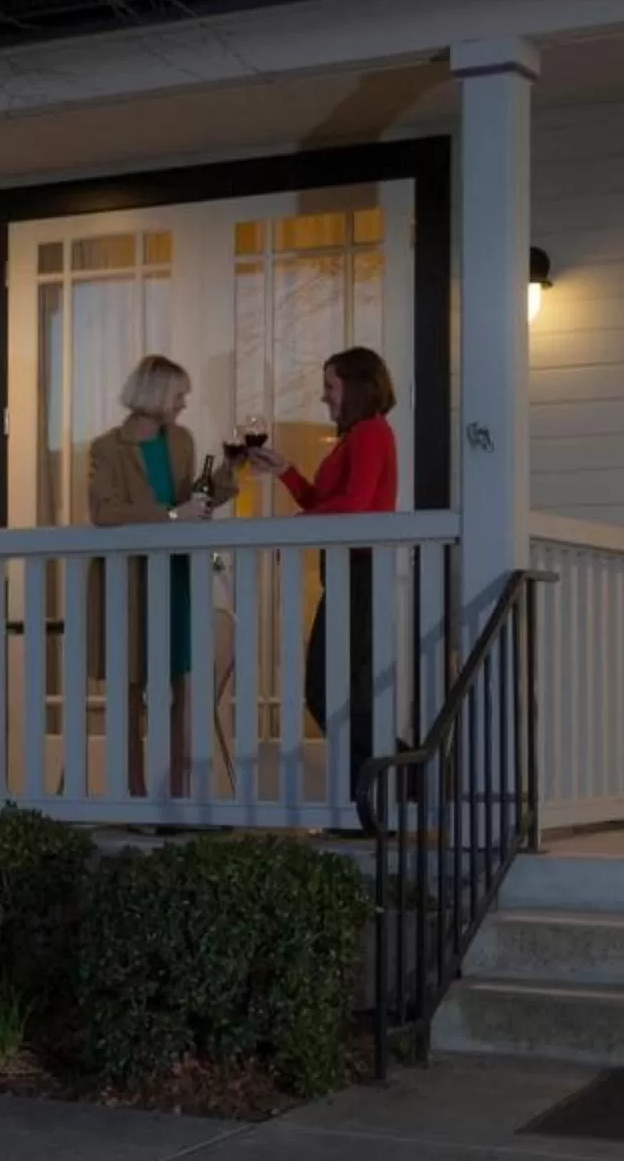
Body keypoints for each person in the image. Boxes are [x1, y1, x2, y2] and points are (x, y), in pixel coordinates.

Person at [236, 346, 398, 829]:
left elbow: (355, 505)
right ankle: (366, 802)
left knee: (330, 692)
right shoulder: (353, 439)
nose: (323, 396)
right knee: (340, 692)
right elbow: (326, 500)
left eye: (330, 386)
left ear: (356, 387)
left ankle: (381, 790)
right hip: (346, 573)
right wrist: (284, 470)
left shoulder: (371, 433)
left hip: (361, 573)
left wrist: (295, 526)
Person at [86, 354, 214, 800]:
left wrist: (230, 475)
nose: (184, 403)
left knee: (180, 685)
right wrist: (172, 515)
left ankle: (177, 796)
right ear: (156, 394)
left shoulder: (181, 440)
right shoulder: (108, 447)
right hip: (129, 582)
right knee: (129, 689)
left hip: (175, 575)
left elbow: (191, 500)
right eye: (179, 394)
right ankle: (134, 798)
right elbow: (104, 512)